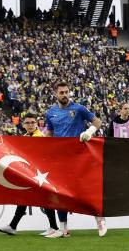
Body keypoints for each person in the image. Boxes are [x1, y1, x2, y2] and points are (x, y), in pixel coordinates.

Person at [44, 82, 104, 237]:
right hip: (61, 159)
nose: (64, 95)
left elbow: (98, 122)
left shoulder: (79, 108)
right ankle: (64, 228)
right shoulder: (50, 113)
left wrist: (90, 131)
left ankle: (99, 218)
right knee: (60, 192)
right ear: (55, 94)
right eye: (61, 92)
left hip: (79, 157)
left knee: (85, 190)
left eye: (66, 92)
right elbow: (49, 134)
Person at [0, 113, 57, 236]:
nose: (30, 125)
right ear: (23, 125)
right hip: (32, 174)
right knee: (27, 198)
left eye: (33, 123)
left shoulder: (40, 137)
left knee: (43, 199)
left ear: (37, 124)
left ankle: (53, 227)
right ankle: (13, 226)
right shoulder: (24, 137)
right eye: (28, 123)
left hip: (39, 174)